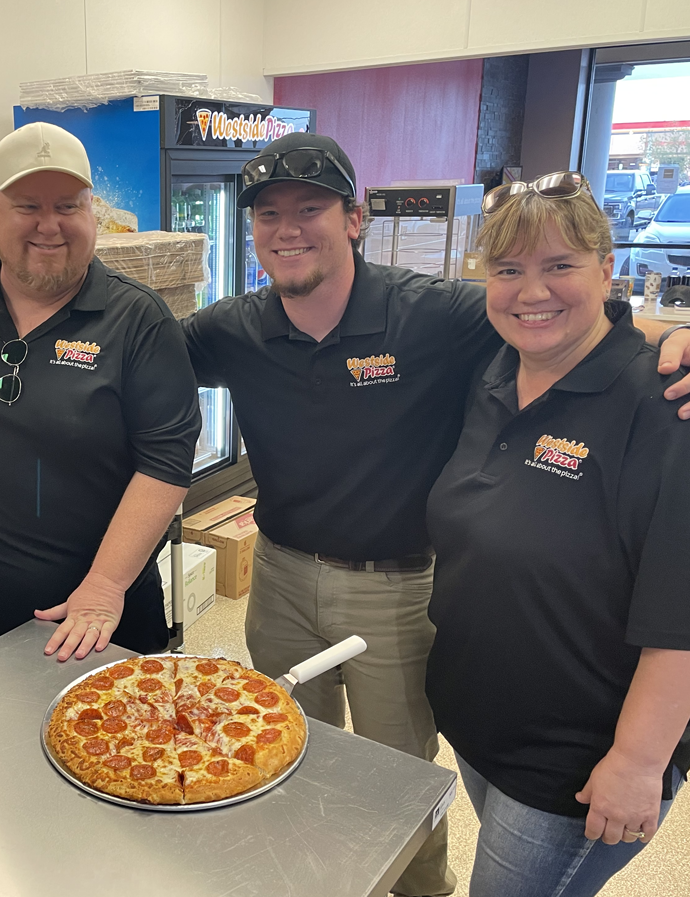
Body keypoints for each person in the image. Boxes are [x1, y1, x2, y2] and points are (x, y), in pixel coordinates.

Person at [180, 135, 690, 897]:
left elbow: (566, 322)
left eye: (310, 209)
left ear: (353, 218)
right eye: (270, 215)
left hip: (395, 585)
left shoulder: (432, 313)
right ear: (251, 230)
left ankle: (421, 886)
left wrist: (673, 338)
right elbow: (143, 363)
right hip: (278, 575)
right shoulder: (231, 328)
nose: (289, 229)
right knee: (282, 747)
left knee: (397, 772)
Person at [424, 172, 690, 897]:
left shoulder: (664, 407)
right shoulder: (491, 376)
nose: (530, 291)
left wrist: (637, 762)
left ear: (608, 269)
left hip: (574, 763)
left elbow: (681, 612)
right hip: (481, 725)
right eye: (508, 270)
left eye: (559, 265)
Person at [0, 122, 200, 664]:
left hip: (92, 619)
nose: (50, 226)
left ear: (93, 211)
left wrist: (107, 586)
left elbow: (165, 461)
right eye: (27, 206)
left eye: (68, 206)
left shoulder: (137, 319)